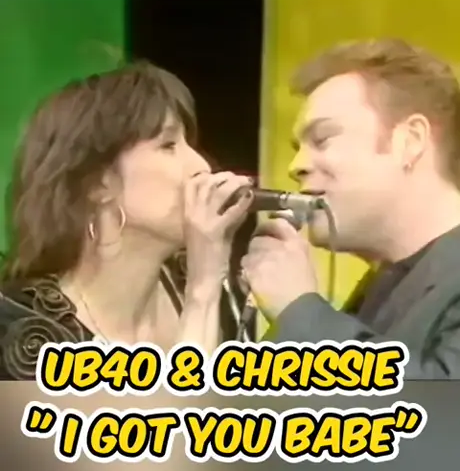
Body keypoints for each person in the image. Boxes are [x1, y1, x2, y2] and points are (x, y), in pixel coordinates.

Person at [0, 61, 253, 379]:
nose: (202, 166)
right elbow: (184, 414)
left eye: (189, 143)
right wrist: (202, 290)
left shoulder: (204, 285)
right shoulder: (21, 331)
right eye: (168, 145)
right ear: (97, 183)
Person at [242, 38, 460, 378]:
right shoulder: (381, 285)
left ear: (410, 140)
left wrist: (299, 311)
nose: (296, 166)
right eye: (298, 147)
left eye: (322, 139)